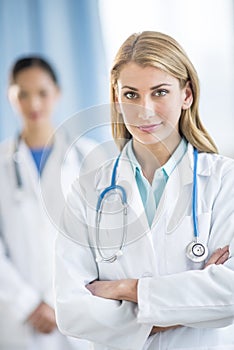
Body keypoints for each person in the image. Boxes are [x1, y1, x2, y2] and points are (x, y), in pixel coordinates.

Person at [54, 31, 234, 350]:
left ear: (187, 95)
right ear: (116, 98)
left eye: (160, 92)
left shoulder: (224, 180)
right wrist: (187, 304)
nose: (145, 110)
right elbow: (70, 310)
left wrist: (127, 289)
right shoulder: (87, 190)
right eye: (131, 94)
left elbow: (230, 293)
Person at [0, 56, 93, 350]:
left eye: (42, 93)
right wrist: (28, 304)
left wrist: (59, 303)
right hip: (20, 319)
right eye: (22, 94)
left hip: (78, 312)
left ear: (57, 93)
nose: (34, 104)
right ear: (9, 96)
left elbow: (101, 242)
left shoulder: (88, 160)